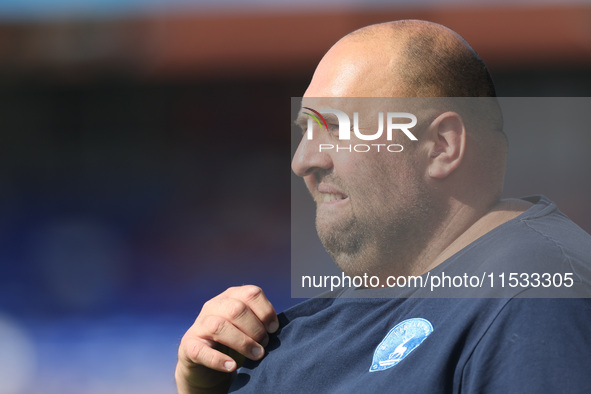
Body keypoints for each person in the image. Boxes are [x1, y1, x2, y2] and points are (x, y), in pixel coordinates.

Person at [175, 20, 591, 393]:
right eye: (306, 128)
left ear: (441, 147)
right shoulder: (303, 328)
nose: (303, 160)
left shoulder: (532, 298)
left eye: (336, 127)